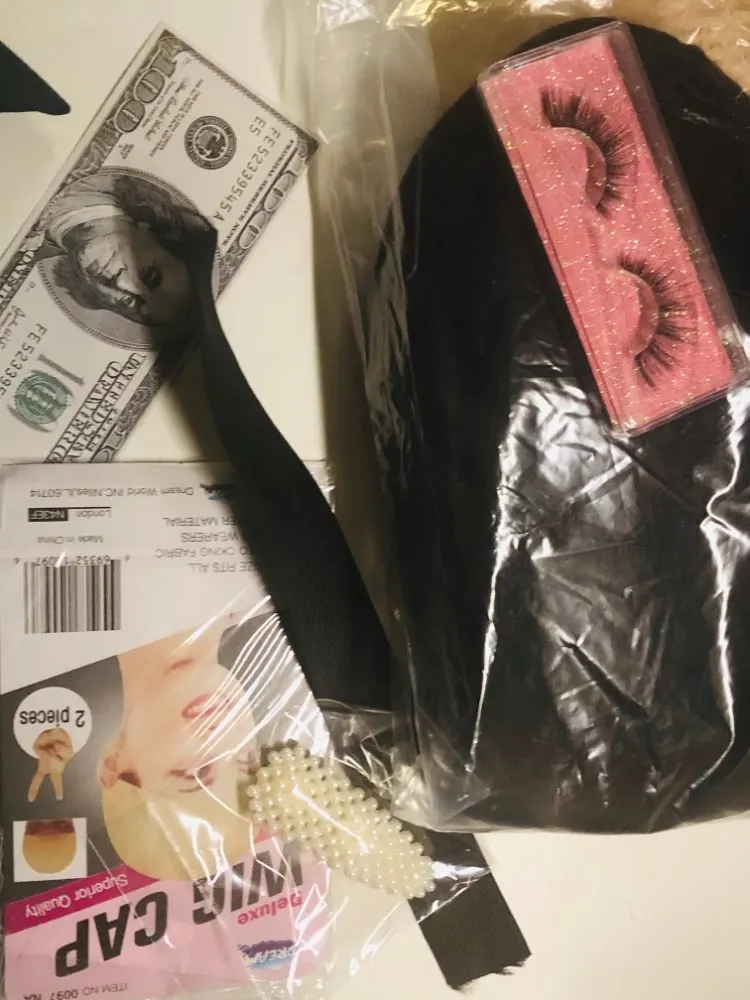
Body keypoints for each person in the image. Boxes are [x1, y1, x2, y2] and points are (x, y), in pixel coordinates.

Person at [42, 171, 206, 328]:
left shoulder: (38, 250)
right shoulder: (99, 175)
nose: (121, 284)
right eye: (148, 274)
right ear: (153, 231)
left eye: (130, 302)